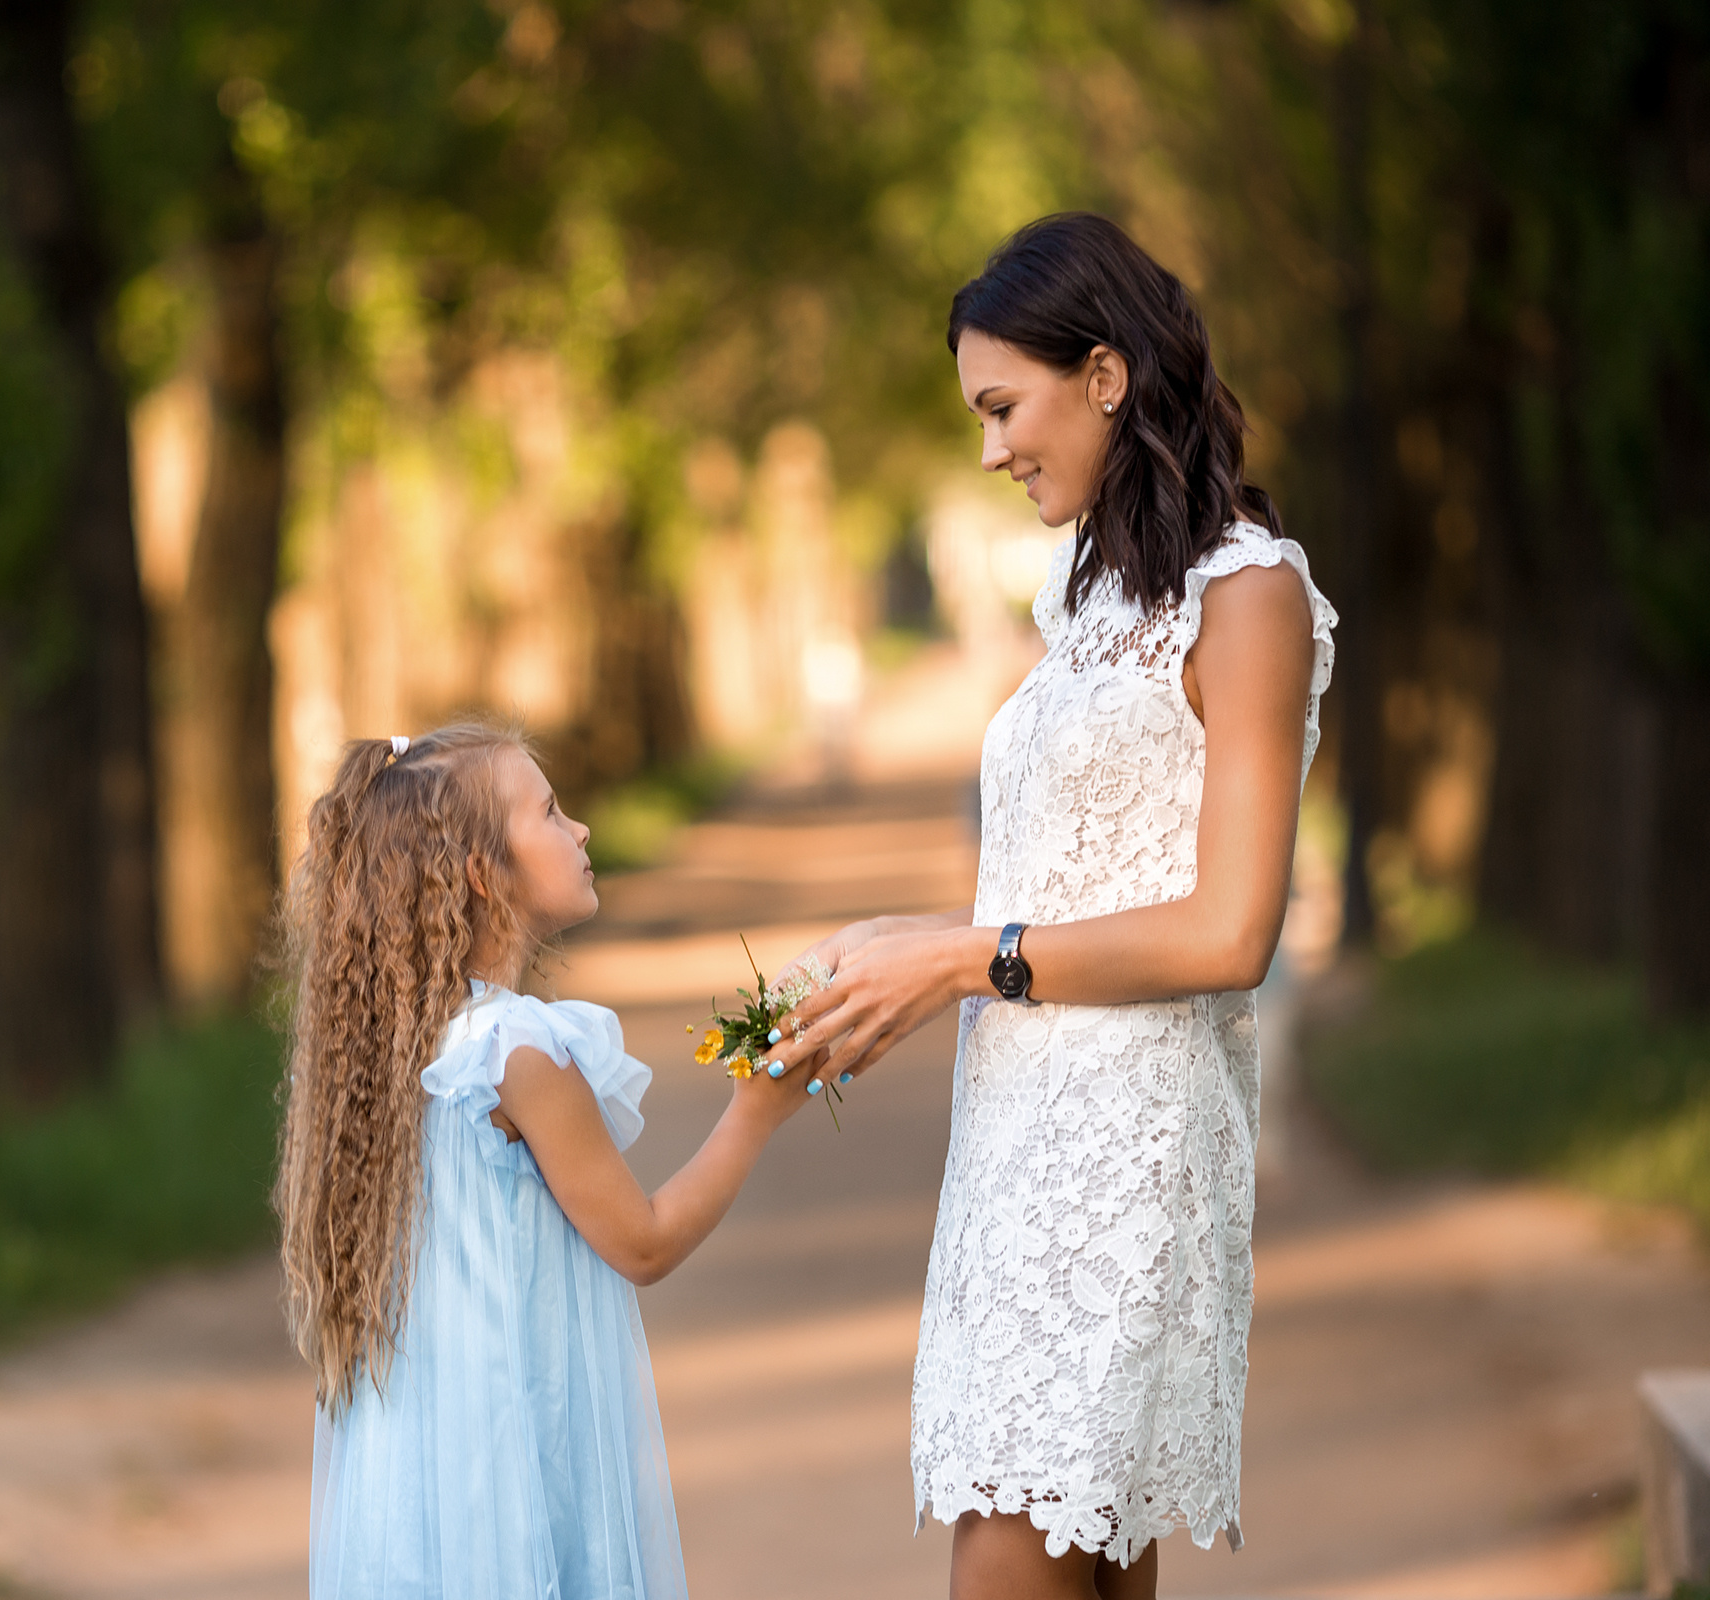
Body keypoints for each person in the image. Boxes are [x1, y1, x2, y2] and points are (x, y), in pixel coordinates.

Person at [767, 213, 1337, 1598]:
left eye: (1002, 406)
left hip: (1133, 1150)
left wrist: (968, 960)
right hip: (1019, 1134)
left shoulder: (1248, 596)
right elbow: (1056, 870)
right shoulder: (1079, 596)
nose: (992, 448)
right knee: (1070, 1553)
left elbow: (1228, 934)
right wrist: (905, 945)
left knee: (1008, 1556)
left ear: (1105, 375)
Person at [278, 722, 821, 1599]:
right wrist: (755, 1109)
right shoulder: (513, 1052)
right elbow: (642, 1243)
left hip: (421, 1469)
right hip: (508, 1455)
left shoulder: (407, 1045)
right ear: (484, 874)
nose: (582, 831)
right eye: (552, 811)